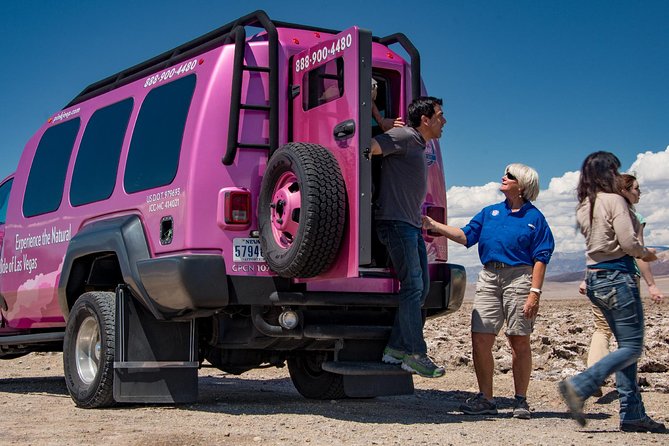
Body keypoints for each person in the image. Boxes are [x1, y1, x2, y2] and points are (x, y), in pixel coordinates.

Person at [422, 163, 554, 419]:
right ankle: (486, 398)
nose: (503, 177)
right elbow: (464, 236)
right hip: (489, 277)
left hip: (520, 278)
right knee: (480, 337)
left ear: (522, 185)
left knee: (518, 339)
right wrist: (434, 225)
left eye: (510, 176)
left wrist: (534, 292)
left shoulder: (534, 218)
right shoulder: (489, 212)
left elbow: (541, 257)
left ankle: (521, 401)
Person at [558, 151, 666, 433]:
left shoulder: (584, 204)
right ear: (607, 173)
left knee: (625, 350)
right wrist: (650, 254)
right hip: (619, 277)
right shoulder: (615, 201)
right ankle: (579, 386)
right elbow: (628, 243)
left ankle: (632, 415)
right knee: (631, 347)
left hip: (595, 278)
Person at [370, 96, 446, 378]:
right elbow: (370, 147)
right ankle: (415, 353)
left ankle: (396, 349)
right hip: (394, 222)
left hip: (410, 224)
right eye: (440, 115)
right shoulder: (403, 135)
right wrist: (381, 124)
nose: (444, 121)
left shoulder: (419, 143)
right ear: (425, 119)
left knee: (421, 287)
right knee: (413, 285)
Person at [582, 173, 665, 396]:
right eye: (636, 188)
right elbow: (634, 251)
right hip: (622, 278)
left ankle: (625, 402)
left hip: (596, 277)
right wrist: (652, 282)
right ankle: (587, 383)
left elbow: (595, 249)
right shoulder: (632, 215)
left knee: (603, 329)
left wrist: (585, 278)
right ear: (624, 191)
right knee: (629, 341)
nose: (640, 193)